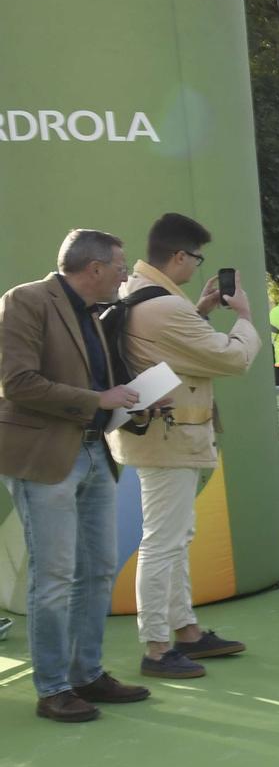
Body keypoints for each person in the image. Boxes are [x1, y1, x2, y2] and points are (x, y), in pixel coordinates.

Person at [0, 230, 150, 722]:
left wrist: (133, 398)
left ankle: (87, 674)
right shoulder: (25, 300)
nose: (126, 272)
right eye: (120, 264)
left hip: (93, 454)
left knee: (99, 569)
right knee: (55, 576)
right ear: (94, 269)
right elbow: (17, 383)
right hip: (45, 458)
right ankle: (53, 688)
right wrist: (97, 400)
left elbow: (98, 384)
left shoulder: (97, 313)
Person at [108, 212, 259, 678]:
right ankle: (157, 647)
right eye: (197, 259)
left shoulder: (136, 293)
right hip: (170, 437)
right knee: (164, 542)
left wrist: (201, 310)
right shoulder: (165, 308)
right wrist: (245, 318)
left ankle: (185, 631)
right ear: (178, 256)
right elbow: (233, 359)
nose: (198, 267)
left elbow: (170, 345)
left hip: (160, 435)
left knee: (173, 538)